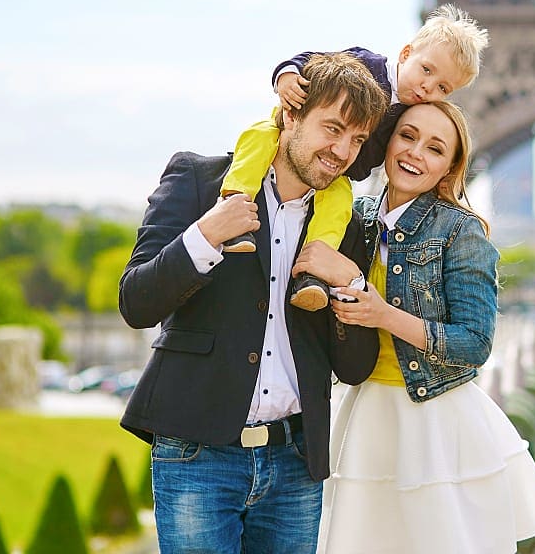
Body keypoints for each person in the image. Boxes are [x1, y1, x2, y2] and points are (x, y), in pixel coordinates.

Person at [118, 52, 389, 554]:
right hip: (198, 454)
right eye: (332, 129)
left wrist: (351, 283)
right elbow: (136, 302)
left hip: (294, 464)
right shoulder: (201, 182)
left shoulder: (347, 226)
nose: (342, 151)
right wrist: (205, 236)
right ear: (290, 114)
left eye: (356, 140)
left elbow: (353, 366)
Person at [293, 101, 535, 554]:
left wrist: (383, 315)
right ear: (388, 139)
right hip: (365, 414)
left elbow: (475, 344)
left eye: (435, 148)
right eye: (408, 136)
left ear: (449, 168)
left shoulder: (461, 231)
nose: (416, 152)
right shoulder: (350, 217)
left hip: (435, 419)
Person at [219, 3, 489, 312]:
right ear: (405, 54)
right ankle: (234, 204)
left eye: (443, 87)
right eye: (426, 70)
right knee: (258, 138)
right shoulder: (367, 65)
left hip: (337, 173)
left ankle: (311, 272)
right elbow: (316, 63)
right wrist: (287, 75)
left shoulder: (412, 117)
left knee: (337, 207)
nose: (429, 86)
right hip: (283, 128)